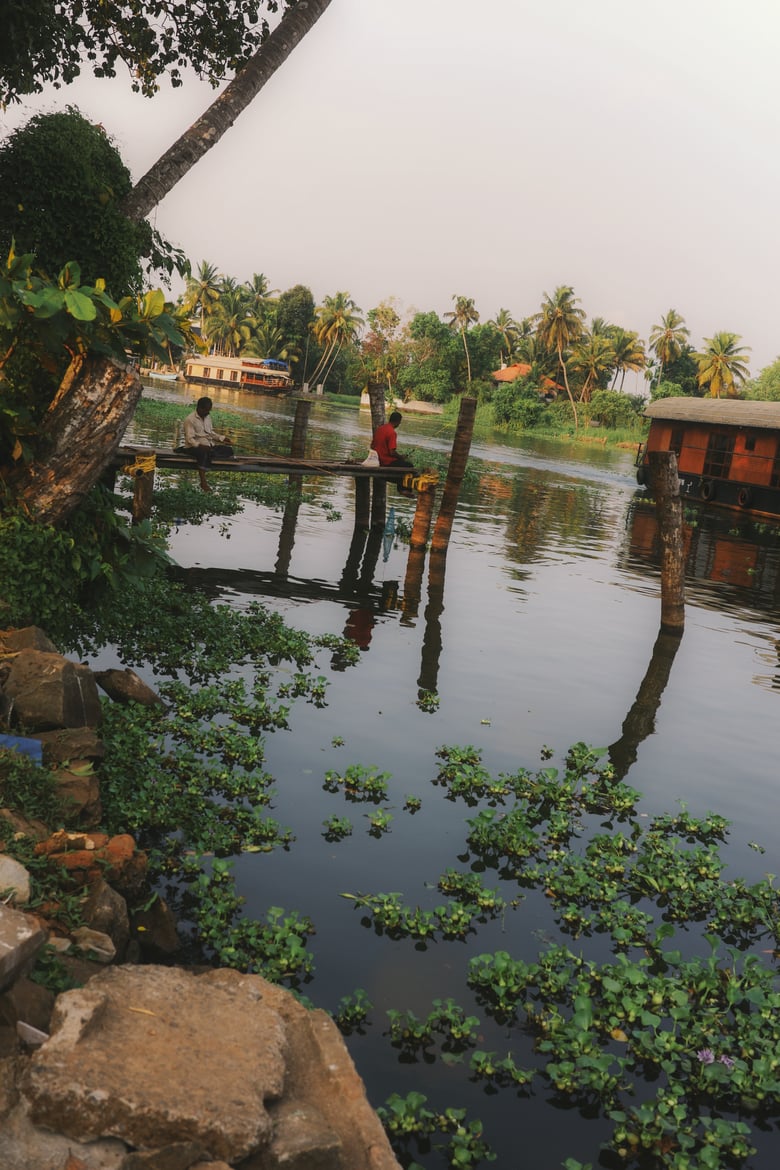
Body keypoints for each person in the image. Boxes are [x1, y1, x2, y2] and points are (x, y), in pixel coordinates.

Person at [180, 396, 234, 492]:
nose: (208, 412)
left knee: (229, 450)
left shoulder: (208, 417)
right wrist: (200, 446)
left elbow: (210, 433)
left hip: (209, 446)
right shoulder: (190, 419)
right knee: (203, 453)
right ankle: (203, 482)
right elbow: (189, 439)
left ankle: (210, 453)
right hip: (194, 447)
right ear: (199, 408)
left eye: (209, 410)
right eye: (206, 410)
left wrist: (222, 438)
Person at [371, 411, 415, 497]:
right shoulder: (392, 432)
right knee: (409, 466)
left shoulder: (381, 429)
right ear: (398, 422)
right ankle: (403, 489)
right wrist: (401, 457)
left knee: (402, 465)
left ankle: (402, 489)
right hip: (386, 461)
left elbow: (372, 445)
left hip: (377, 459)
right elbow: (392, 452)